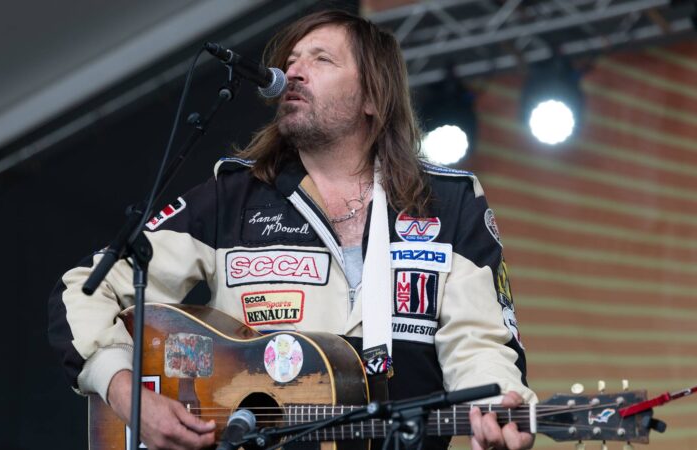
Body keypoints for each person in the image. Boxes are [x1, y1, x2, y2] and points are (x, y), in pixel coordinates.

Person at [48, 9, 536, 450]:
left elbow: (481, 342)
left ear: (373, 95)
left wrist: (498, 405)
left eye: (321, 59)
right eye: (292, 59)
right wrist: (127, 393)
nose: (293, 72)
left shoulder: (447, 203)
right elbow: (84, 290)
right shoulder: (230, 197)